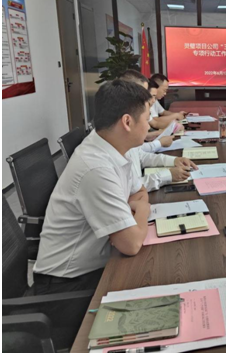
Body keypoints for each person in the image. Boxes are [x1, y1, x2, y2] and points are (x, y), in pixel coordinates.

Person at [33, 80, 153, 294]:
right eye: (147, 118)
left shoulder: (113, 148)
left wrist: (131, 216)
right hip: (66, 285)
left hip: (94, 267)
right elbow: (131, 244)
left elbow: (139, 191)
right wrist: (142, 210)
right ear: (127, 122)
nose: (149, 125)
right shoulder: (95, 167)